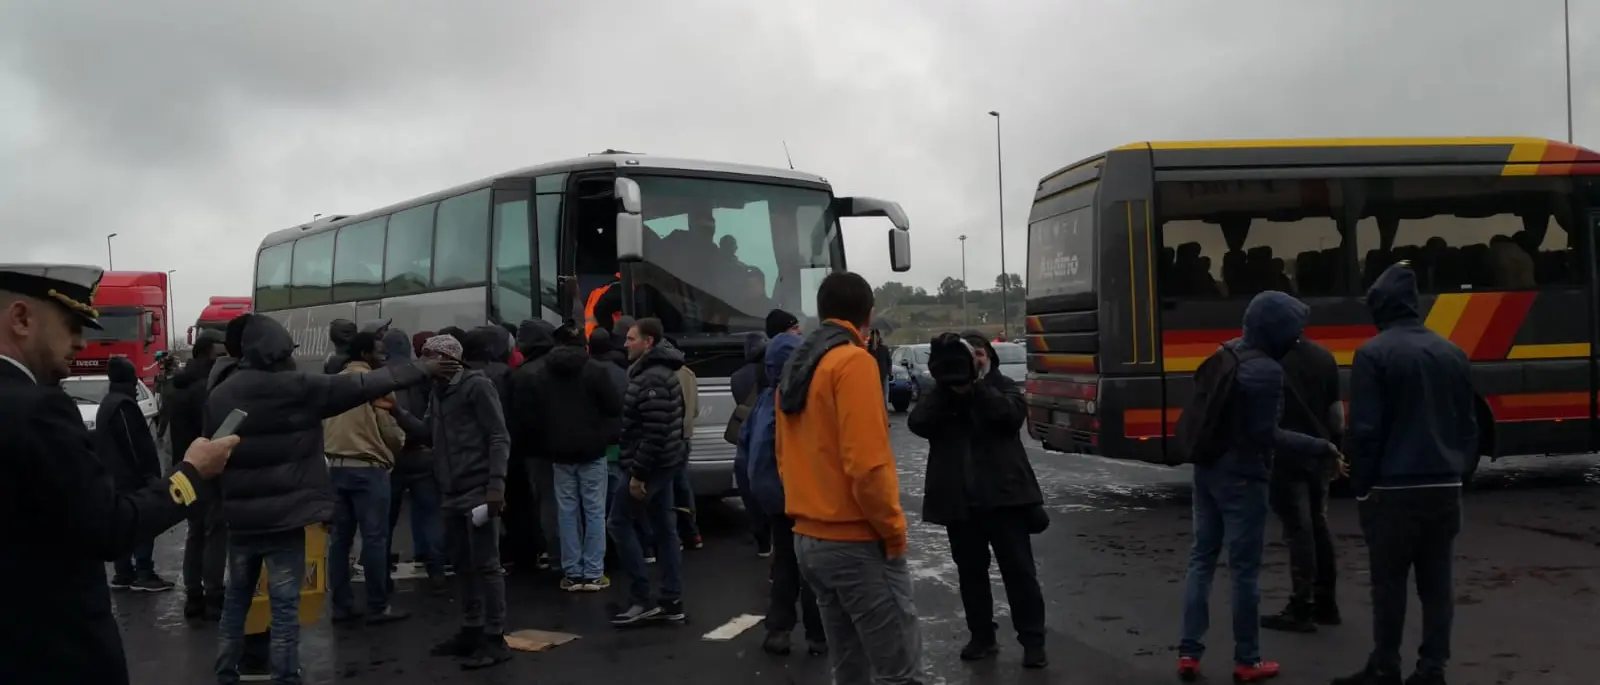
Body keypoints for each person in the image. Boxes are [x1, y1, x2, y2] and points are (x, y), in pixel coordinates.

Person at [0, 263, 238, 685]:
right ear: (21, 319)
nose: (80, 342)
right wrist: (191, 474)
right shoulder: (38, 409)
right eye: (72, 325)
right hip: (51, 656)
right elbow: (110, 526)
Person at [207, 313, 447, 684]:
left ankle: (225, 672)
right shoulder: (297, 388)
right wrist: (422, 368)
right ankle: (286, 676)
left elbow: (211, 456)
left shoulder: (221, 394)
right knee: (284, 605)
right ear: (278, 350)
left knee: (237, 600)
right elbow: (366, 384)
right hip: (286, 519)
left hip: (240, 521)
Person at [1176, 291, 1339, 684]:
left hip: (1207, 469)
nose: (1297, 338)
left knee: (1201, 560)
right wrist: (1322, 446)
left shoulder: (1225, 353)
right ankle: (1247, 660)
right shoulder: (1266, 372)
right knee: (1244, 571)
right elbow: (1266, 435)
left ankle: (1189, 653)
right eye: (1293, 330)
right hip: (1243, 478)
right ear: (1276, 331)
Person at [1332, 263, 1478, 685]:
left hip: (1393, 490)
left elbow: (1365, 431)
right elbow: (1468, 427)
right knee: (1437, 585)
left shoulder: (1372, 354)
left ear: (1379, 307)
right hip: (1444, 487)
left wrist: (1361, 487)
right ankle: (1432, 669)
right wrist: (1457, 473)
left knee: (1389, 584)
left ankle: (1385, 665)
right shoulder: (1453, 352)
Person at [777, 272, 924, 684]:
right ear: (869, 313)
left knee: (850, 669)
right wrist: (893, 532)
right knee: (900, 673)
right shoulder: (852, 362)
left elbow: (783, 457)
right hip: (855, 541)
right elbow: (867, 467)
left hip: (808, 539)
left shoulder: (799, 365)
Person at [909, 332, 1047, 669]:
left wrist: (978, 387)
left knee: (1020, 573)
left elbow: (1010, 417)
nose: (976, 360)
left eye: (980, 353)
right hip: (961, 502)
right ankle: (982, 636)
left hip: (1005, 500)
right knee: (971, 574)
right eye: (972, 355)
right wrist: (948, 390)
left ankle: (1033, 641)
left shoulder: (1002, 387)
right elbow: (918, 422)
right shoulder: (941, 394)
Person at [405, 334, 514, 670]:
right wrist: (395, 412)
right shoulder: (438, 392)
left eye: (430, 356)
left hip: (478, 488)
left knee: (486, 564)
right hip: (450, 491)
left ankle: (495, 637)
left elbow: (498, 435)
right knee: (463, 564)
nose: (424, 362)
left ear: (448, 358)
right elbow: (426, 432)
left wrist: (496, 485)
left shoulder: (476, 387)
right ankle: (472, 629)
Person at [520, 323, 623, 591]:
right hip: (592, 450)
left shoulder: (543, 373)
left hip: (558, 452)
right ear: (584, 345)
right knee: (594, 510)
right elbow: (614, 407)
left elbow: (534, 415)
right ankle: (594, 572)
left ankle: (572, 572)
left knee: (566, 511)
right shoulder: (595, 371)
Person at [742, 330, 826, 657]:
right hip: (802, 495)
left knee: (784, 565)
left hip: (773, 499)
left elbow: (745, 453)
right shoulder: (804, 397)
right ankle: (818, 634)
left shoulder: (766, 397)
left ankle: (779, 629)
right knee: (810, 567)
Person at [324, 331, 411, 625]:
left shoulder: (333, 383)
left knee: (339, 541)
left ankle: (341, 606)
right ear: (364, 355)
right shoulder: (378, 386)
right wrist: (401, 444)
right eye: (379, 351)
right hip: (368, 469)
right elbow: (390, 432)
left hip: (336, 467)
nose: (384, 356)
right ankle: (377, 605)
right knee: (374, 539)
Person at [1260, 336, 1344, 634]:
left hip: (1287, 456)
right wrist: (1334, 449)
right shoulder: (1324, 356)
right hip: (1320, 454)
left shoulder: (1270, 360)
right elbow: (1337, 417)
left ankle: (1301, 606)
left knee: (1298, 530)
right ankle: (1326, 603)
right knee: (1318, 524)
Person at [609, 317, 690, 626]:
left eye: (631, 339)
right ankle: (671, 599)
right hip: (665, 463)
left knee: (618, 523)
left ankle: (642, 598)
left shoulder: (651, 379)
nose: (625, 343)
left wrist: (638, 475)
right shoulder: (657, 372)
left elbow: (654, 432)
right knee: (664, 527)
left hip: (649, 466)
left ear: (649, 342)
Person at [97, 355, 176, 593]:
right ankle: (143, 572)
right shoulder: (123, 405)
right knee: (143, 523)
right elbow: (133, 443)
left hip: (116, 476)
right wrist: (148, 475)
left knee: (124, 523)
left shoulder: (109, 402)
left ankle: (124, 573)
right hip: (131, 478)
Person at [382, 328, 447, 593]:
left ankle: (382, 572)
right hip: (422, 451)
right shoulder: (423, 373)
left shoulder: (379, 375)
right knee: (430, 515)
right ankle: (436, 570)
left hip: (391, 455)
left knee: (386, 519)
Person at [175, 330, 231, 620]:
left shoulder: (180, 385)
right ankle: (213, 593)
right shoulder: (208, 390)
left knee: (195, 532)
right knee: (214, 532)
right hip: (207, 468)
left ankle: (193, 594)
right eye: (219, 354)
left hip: (183, 468)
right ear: (207, 353)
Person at [509, 318, 561, 571]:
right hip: (567, 446)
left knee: (547, 502)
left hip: (536, 451)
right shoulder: (560, 366)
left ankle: (555, 555)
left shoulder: (523, 374)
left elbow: (519, 419)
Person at [730, 331, 774, 557]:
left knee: (749, 494)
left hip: (744, 440)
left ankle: (762, 541)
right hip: (766, 437)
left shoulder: (736, 377)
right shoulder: (770, 372)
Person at [666, 336, 703, 551]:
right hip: (685, 438)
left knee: (667, 489)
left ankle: (673, 537)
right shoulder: (689, 373)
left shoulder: (664, 375)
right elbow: (696, 410)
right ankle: (692, 532)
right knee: (683, 486)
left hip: (669, 438)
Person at [868, 328, 892, 401]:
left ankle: (884, 411)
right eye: (873, 336)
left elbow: (889, 361)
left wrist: (889, 372)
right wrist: (873, 349)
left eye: (876, 336)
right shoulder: (868, 349)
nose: (874, 338)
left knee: (885, 396)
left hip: (884, 375)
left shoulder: (884, 348)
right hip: (873, 376)